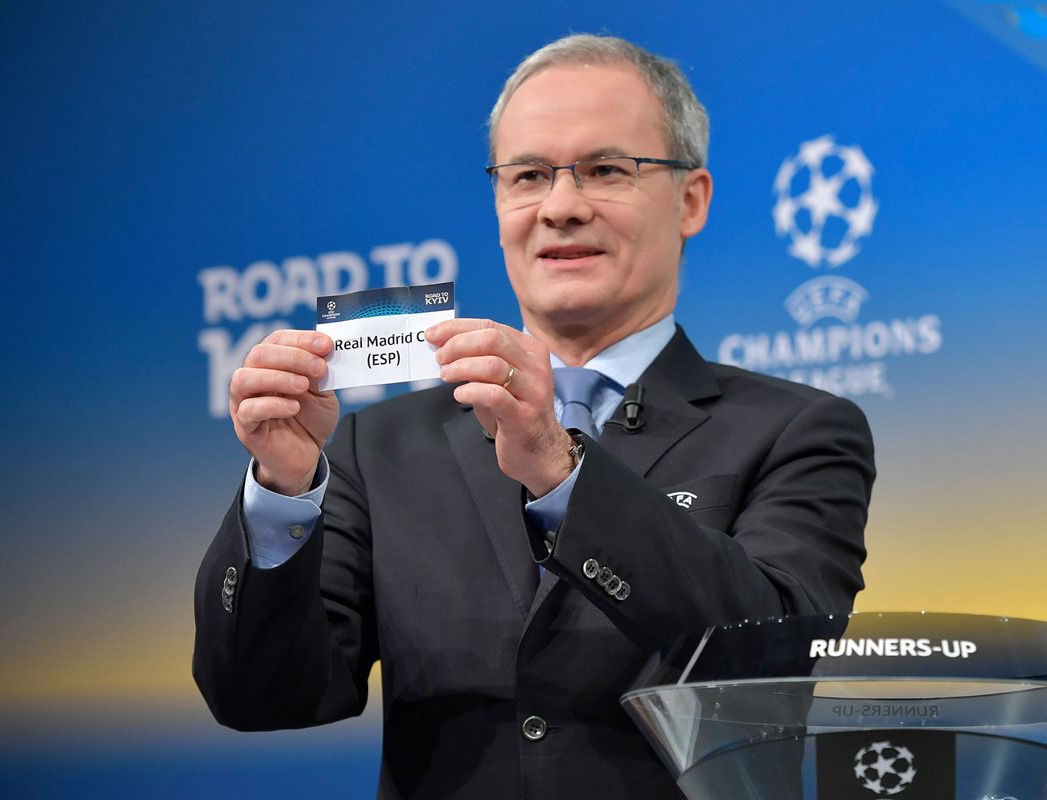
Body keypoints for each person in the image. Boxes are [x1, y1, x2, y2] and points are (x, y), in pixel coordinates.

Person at [193, 33, 874, 799]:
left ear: (691, 200)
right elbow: (261, 698)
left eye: (606, 170)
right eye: (528, 176)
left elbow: (770, 660)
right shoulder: (375, 445)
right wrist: (282, 490)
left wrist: (561, 471)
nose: (561, 207)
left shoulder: (800, 430)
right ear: (498, 204)